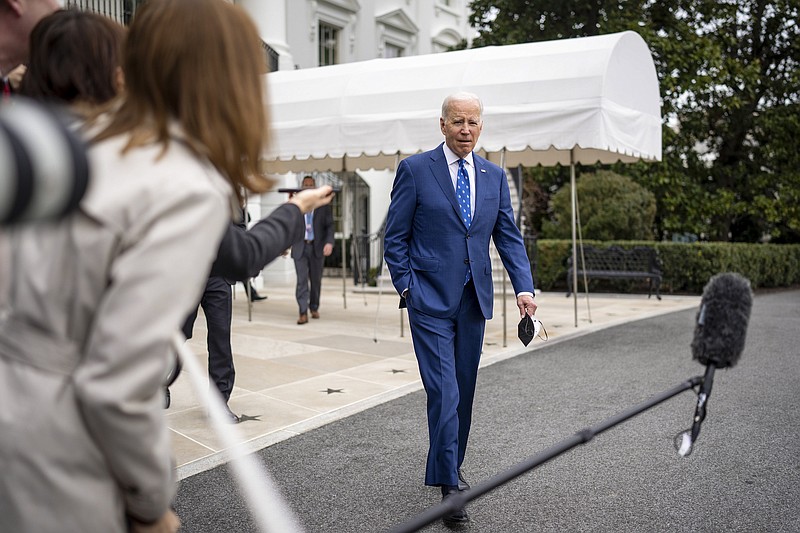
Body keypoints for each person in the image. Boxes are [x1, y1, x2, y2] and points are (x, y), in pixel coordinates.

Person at [0, 2, 335, 532]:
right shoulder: (182, 185)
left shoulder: (86, 140)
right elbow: (116, 384)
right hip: (54, 442)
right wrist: (151, 501)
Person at [383, 91, 538, 525]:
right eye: (457, 122)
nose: (465, 129)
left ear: (481, 126)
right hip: (428, 301)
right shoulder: (415, 170)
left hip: (474, 302)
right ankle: (451, 489)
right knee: (445, 392)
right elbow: (394, 237)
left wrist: (523, 288)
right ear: (443, 124)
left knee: (463, 394)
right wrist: (408, 288)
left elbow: (507, 236)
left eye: (472, 122)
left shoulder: (493, 176)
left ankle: (447, 468)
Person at [291, 175, 335, 324]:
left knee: (315, 281)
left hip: (317, 247)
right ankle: (302, 312)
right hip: (300, 247)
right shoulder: (295, 205)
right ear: (302, 187)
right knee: (301, 281)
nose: (308, 187)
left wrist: (329, 242)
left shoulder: (323, 205)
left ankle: (314, 306)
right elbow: (289, 227)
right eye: (306, 185)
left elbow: (330, 226)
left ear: (315, 187)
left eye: (311, 185)